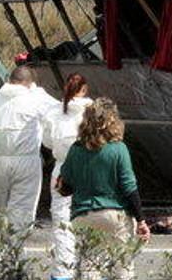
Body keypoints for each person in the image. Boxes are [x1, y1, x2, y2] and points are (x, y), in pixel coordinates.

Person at [57, 98, 150, 280]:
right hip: (114, 214)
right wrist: (141, 220)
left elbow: (65, 186)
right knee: (122, 267)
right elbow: (129, 188)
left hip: (83, 214)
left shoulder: (75, 150)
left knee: (89, 269)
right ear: (113, 121)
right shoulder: (118, 149)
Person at [0, 65, 58, 234]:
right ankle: (15, 255)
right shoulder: (36, 99)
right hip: (26, 161)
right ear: (30, 84)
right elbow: (60, 114)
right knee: (22, 212)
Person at [42, 73, 93, 280]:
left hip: (62, 170)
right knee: (91, 219)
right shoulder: (93, 110)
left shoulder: (54, 111)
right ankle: (92, 272)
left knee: (63, 223)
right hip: (90, 168)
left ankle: (63, 272)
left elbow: (47, 142)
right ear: (84, 89)